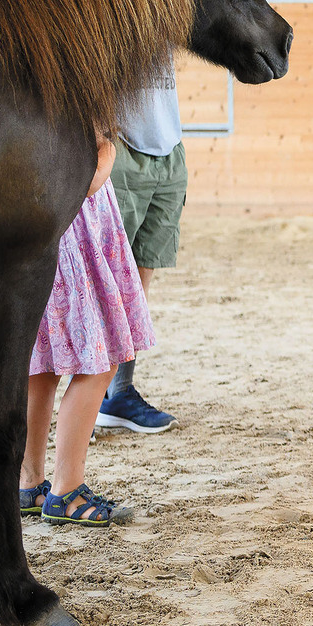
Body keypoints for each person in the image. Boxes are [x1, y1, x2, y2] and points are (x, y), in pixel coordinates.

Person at [19, 133, 148, 527]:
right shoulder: (74, 76)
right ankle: (66, 491)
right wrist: (108, 148)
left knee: (43, 358)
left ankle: (29, 482)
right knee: (102, 355)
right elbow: (90, 174)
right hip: (74, 219)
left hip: (34, 212)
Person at [99, 54, 185, 433]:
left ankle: (119, 392)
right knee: (107, 280)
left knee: (139, 278)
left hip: (169, 147)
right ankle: (90, 395)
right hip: (123, 146)